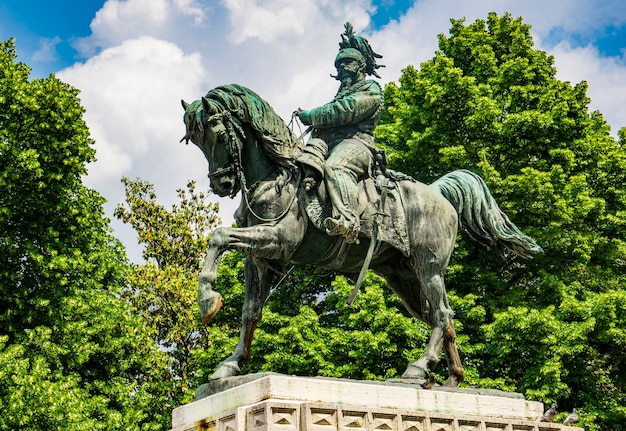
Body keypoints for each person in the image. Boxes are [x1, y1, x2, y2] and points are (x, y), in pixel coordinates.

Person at [296, 23, 385, 243]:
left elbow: (343, 111)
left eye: (347, 63)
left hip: (357, 145)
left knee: (336, 167)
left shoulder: (371, 89)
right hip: (330, 144)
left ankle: (348, 222)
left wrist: (311, 115)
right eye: (339, 64)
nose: (342, 67)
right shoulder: (340, 93)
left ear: (360, 65)